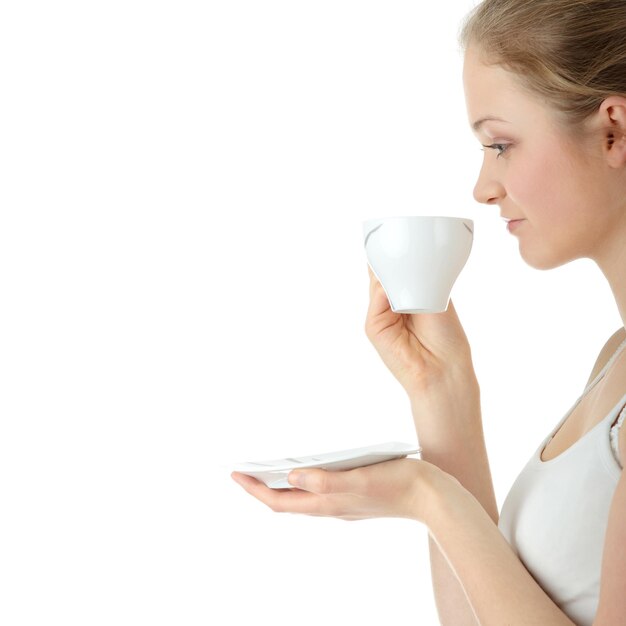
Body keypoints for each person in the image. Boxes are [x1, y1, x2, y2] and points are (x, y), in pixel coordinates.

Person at [231, 0, 626, 623]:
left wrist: (428, 496)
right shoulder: (615, 361)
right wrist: (440, 390)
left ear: (614, 129)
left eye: (500, 144)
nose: (483, 187)